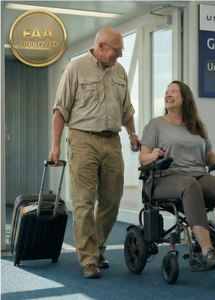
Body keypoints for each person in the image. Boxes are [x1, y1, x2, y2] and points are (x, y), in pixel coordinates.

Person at [49, 27, 139, 278]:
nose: (120, 55)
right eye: (116, 50)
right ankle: (88, 259)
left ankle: (97, 248)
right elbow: (60, 110)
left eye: (122, 50)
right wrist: (55, 146)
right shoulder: (75, 69)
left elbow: (126, 108)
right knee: (84, 202)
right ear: (101, 47)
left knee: (111, 200)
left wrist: (132, 133)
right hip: (82, 139)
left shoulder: (119, 71)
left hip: (112, 142)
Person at [139, 80, 215, 268]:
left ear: (185, 98)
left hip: (197, 177)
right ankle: (207, 251)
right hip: (164, 179)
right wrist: (151, 156)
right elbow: (142, 159)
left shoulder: (197, 126)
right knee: (189, 183)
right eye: (167, 91)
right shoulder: (156, 124)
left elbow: (208, 158)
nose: (168, 94)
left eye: (174, 91)